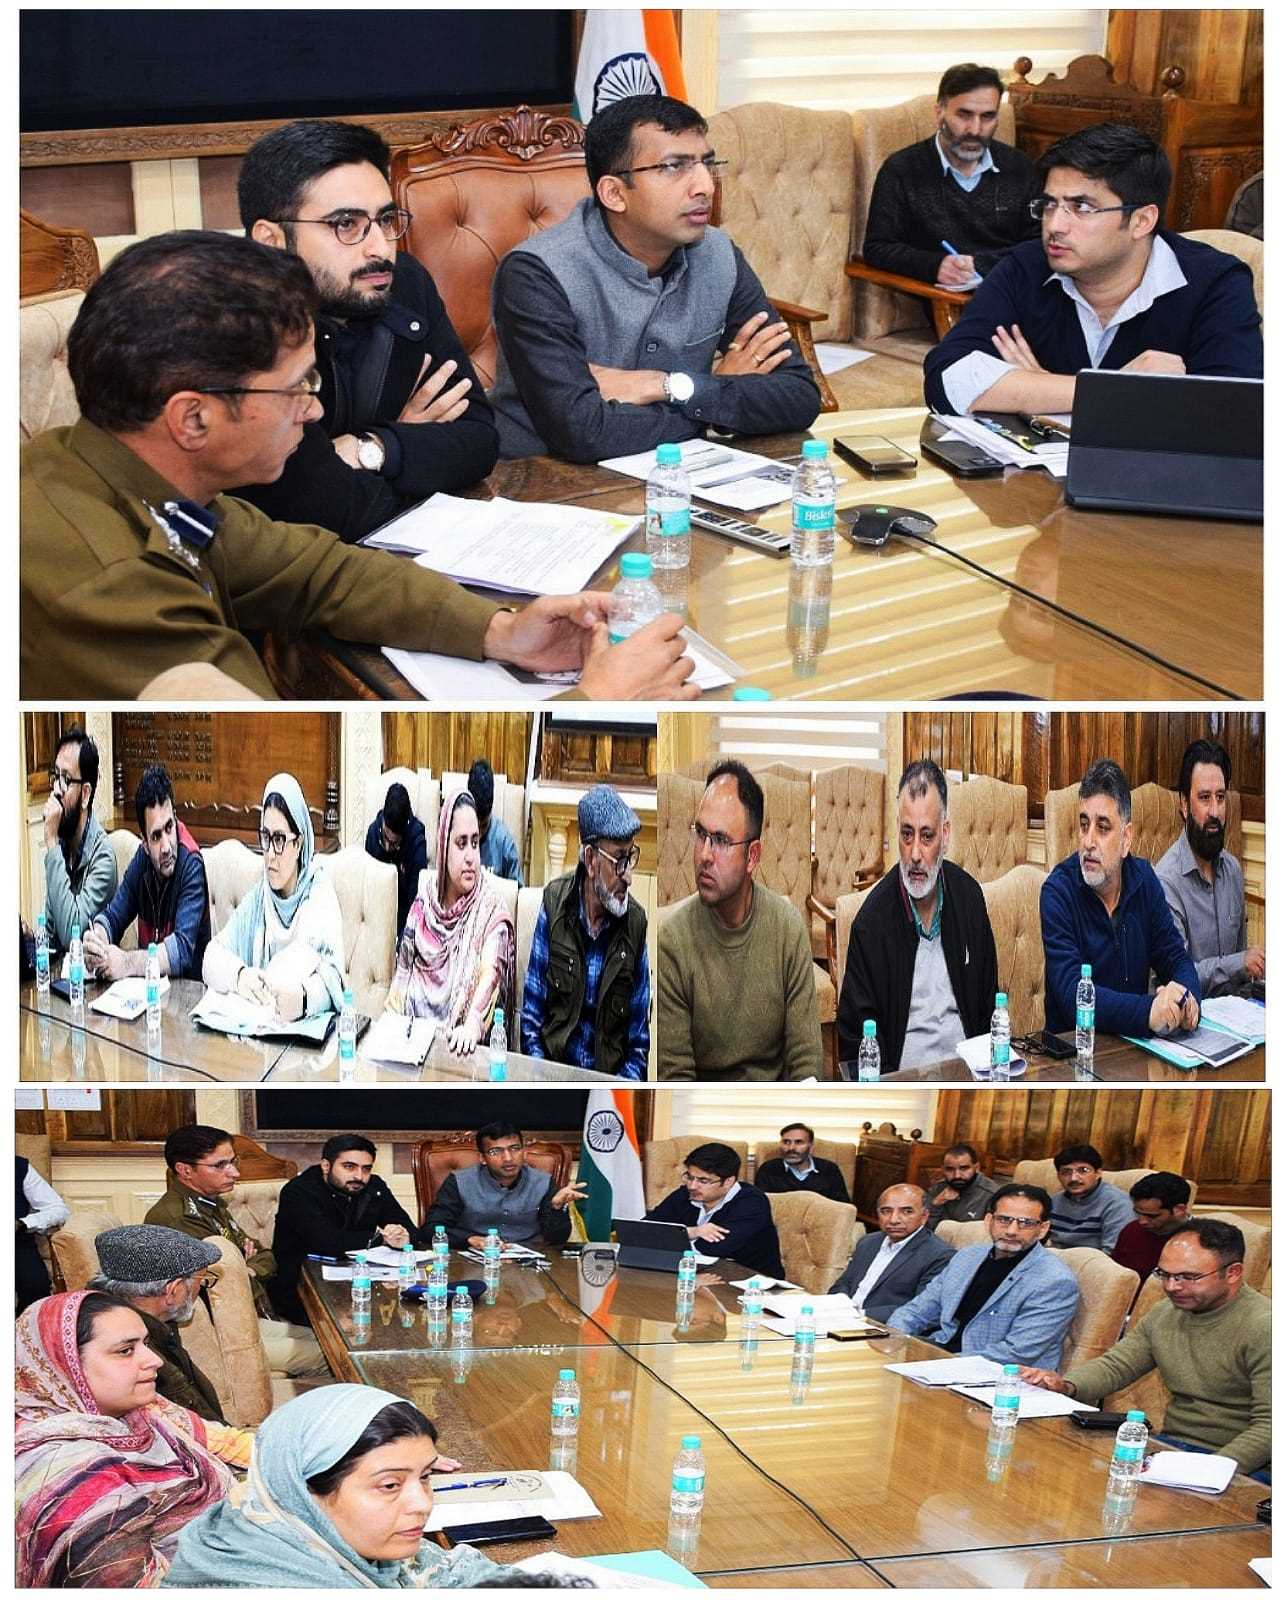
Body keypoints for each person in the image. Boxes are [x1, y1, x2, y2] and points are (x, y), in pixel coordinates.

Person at [20, 229, 697, 702]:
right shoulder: (105, 585)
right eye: (296, 388)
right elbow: (266, 762)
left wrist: (502, 632)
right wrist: (600, 699)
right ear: (192, 419)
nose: (314, 411)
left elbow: (318, 572)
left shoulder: (130, 477)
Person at [489, 93, 821, 461]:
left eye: (708, 164)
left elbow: (801, 396)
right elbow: (584, 432)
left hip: (676, 470)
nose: (706, 187)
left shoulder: (718, 254)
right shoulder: (536, 274)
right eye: (674, 167)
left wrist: (668, 386)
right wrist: (717, 398)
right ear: (615, 193)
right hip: (546, 478)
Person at [235, 119, 498, 541]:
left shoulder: (403, 282)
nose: (380, 248)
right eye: (346, 224)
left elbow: (479, 442)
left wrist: (371, 447)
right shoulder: (238, 321)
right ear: (271, 240)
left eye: (386, 220)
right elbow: (321, 509)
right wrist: (410, 445)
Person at [924, 121, 1263, 417]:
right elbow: (946, 377)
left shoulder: (1215, 283)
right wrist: (1112, 389)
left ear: (1142, 221)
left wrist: (1036, 390)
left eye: (1082, 207)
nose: (1054, 225)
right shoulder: (1026, 266)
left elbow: (1232, 413)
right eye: (1049, 205)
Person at [163, 1386, 514, 1588]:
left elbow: (445, 1570)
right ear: (303, 1493)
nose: (422, 1503)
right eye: (390, 1485)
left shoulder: (301, 1530)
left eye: (424, 1476)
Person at [1021, 1220, 1271, 1482]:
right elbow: (1118, 1365)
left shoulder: (1264, 1326)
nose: (1172, 1286)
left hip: (1243, 1468)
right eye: (1164, 1274)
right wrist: (1066, 1385)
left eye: (1188, 1277)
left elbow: (1268, 1428)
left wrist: (1208, 1471)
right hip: (1173, 1448)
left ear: (1233, 1273)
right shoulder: (1166, 1312)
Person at [16, 1290, 233, 1587]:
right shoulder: (71, 1474)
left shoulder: (140, 1415)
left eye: (146, 1344)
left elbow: (222, 1440)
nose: (154, 1360)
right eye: (125, 1351)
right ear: (62, 1365)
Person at [658, 760, 822, 1081]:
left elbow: (807, 1062)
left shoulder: (787, 929)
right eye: (701, 834)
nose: (704, 855)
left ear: (752, 856)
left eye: (720, 840)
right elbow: (675, 1076)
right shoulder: (673, 942)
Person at [837, 760, 999, 1073]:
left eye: (927, 837)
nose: (914, 854)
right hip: (903, 1078)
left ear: (945, 834)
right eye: (907, 834)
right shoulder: (871, 924)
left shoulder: (969, 899)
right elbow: (856, 1043)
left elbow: (989, 1011)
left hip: (969, 1075)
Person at [145, 1124, 327, 1379]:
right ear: (185, 1170)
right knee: (329, 1355)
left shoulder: (211, 1203)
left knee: (327, 1340)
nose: (235, 1173)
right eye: (220, 1165)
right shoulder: (179, 1218)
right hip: (213, 1334)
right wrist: (241, 1267)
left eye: (233, 1162)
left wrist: (247, 1267)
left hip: (237, 1319)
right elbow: (223, 1285)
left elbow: (264, 1254)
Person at [1041, 758, 1201, 1038]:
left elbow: (1176, 957)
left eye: (1103, 828)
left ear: (1126, 839)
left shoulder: (1144, 880)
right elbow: (1072, 995)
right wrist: (1148, 1012)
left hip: (1134, 1048)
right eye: (1084, 825)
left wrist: (1186, 999)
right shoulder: (1057, 891)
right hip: (1073, 1051)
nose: (1088, 841)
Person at [862, 63, 1038, 290]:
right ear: (939, 114)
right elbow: (878, 248)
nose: (975, 130)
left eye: (987, 117)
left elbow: (1039, 243)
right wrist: (936, 265)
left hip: (1016, 289)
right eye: (964, 115)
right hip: (950, 299)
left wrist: (981, 265)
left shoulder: (1019, 166)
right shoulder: (903, 169)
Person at [521, 784, 650, 1079]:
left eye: (631, 857)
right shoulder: (554, 904)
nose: (629, 876)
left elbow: (638, 1048)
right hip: (552, 1079)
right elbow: (531, 1023)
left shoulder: (636, 924)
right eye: (620, 861)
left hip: (608, 1088)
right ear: (591, 860)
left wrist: (611, 1096)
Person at [887, 1183, 1080, 1368]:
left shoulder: (1054, 1281)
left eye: (1026, 1223)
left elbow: (1017, 1353)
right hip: (941, 1353)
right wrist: (892, 1338)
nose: (1012, 1231)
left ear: (1043, 1229)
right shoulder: (967, 1257)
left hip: (1000, 1374)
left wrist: (936, 1364)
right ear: (989, 1221)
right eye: (1003, 1220)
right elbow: (916, 1311)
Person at [203, 773, 345, 1022]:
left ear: (298, 844)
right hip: (260, 1036)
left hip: (306, 1039)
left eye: (279, 839)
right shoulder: (260, 897)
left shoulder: (319, 895)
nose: (270, 854)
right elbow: (211, 957)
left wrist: (303, 1000)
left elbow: (334, 981)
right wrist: (239, 976)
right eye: (266, 838)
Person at [385, 789, 515, 1055]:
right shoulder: (424, 904)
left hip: (461, 1054)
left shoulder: (490, 910)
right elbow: (400, 980)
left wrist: (472, 1025)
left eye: (475, 843)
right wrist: (387, 1034)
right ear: (444, 847)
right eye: (461, 843)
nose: (471, 857)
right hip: (408, 1050)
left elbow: (490, 974)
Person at [272, 1135, 425, 1325]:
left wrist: (402, 1236)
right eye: (349, 1167)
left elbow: (412, 1231)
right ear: (326, 1166)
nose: (359, 1176)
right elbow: (327, 1241)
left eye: (366, 1169)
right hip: (303, 1289)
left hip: (362, 1286)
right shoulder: (299, 1192)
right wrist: (380, 1239)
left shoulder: (374, 1187)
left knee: (406, 1320)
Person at [87, 1225, 226, 1426]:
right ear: (173, 1290)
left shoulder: (113, 1319)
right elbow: (196, 1429)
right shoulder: (139, 1349)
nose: (201, 1289)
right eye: (201, 1280)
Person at [84, 762, 211, 981]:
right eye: (156, 836)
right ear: (144, 842)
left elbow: (181, 952)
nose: (166, 846)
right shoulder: (142, 860)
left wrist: (126, 963)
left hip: (187, 993)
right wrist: (97, 939)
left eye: (169, 828)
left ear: (175, 818)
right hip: (149, 992)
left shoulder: (191, 864)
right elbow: (114, 915)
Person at [1156, 739, 1263, 998]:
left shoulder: (1233, 870)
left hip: (1239, 1012)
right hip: (1190, 1015)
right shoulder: (1165, 882)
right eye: (1204, 798)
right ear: (1184, 805)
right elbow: (1177, 978)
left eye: (1221, 797)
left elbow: (1242, 968)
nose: (1215, 811)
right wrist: (1239, 964)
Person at [426, 1122, 585, 1251]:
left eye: (514, 1149)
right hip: (474, 1261)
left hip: (529, 1264)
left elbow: (557, 1239)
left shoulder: (542, 1181)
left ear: (524, 1152)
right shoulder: (459, 1181)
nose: (508, 1158)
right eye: (496, 1151)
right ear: (482, 1158)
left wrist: (557, 1208)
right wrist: (469, 1239)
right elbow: (431, 1229)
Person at [645, 1142, 784, 1279]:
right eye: (690, 1177)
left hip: (752, 1282)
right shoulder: (684, 1195)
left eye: (703, 1181)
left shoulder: (752, 1202)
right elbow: (643, 1231)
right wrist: (692, 1232)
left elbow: (713, 1248)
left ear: (728, 1181)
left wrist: (667, 1239)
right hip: (697, 1275)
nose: (692, 1186)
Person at [40, 725, 117, 952]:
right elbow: (51, 934)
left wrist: (51, 843)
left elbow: (71, 934)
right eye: (56, 776)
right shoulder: (64, 846)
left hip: (92, 973)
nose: (56, 789)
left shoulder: (103, 858)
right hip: (62, 972)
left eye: (65, 779)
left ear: (85, 794)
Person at [830, 1185, 954, 1319]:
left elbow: (922, 1309)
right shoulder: (868, 1242)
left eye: (907, 1212)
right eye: (886, 1211)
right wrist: (836, 1307)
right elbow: (844, 1284)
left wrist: (858, 1315)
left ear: (924, 1216)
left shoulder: (939, 1255)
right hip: (840, 1318)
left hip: (880, 1325)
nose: (893, 1220)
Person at [364, 781, 429, 942]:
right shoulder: (373, 834)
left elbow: (416, 903)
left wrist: (401, 940)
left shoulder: (417, 843)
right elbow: (368, 893)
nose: (387, 846)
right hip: (378, 919)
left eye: (394, 843)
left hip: (406, 921)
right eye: (385, 838)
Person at [1045, 1144, 1134, 1252]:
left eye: (1083, 1170)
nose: (1073, 1178)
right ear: (1058, 1176)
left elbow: (1112, 1252)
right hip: (1054, 1258)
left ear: (1098, 1173)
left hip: (1094, 1260)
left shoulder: (1118, 1204)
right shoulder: (1054, 1201)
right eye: (1066, 1172)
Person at [1112, 1171, 1193, 1285]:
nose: (1142, 1221)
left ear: (1179, 1210)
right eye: (1137, 1213)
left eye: (1152, 1216)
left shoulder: (1198, 1241)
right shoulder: (1131, 1230)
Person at [16, 1156, 69, 1313]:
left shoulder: (18, 1167)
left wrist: (23, 1223)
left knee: (36, 1286)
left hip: (17, 1244)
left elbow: (59, 1210)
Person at [753, 1122, 852, 1203]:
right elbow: (759, 1206)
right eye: (786, 1142)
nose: (791, 1148)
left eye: (799, 1142)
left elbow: (843, 1206)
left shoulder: (829, 1169)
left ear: (811, 1147)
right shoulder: (769, 1169)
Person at [469, 759, 524, 887]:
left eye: (483, 826)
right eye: (475, 824)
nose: (479, 833)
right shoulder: (456, 836)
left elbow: (517, 891)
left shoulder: (504, 842)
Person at [924, 1142, 1001, 1229]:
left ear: (977, 1168)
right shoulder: (937, 1189)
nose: (957, 1176)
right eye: (950, 1169)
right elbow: (922, 1229)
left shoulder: (992, 1194)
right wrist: (936, 1204)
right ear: (942, 1169)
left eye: (964, 1168)